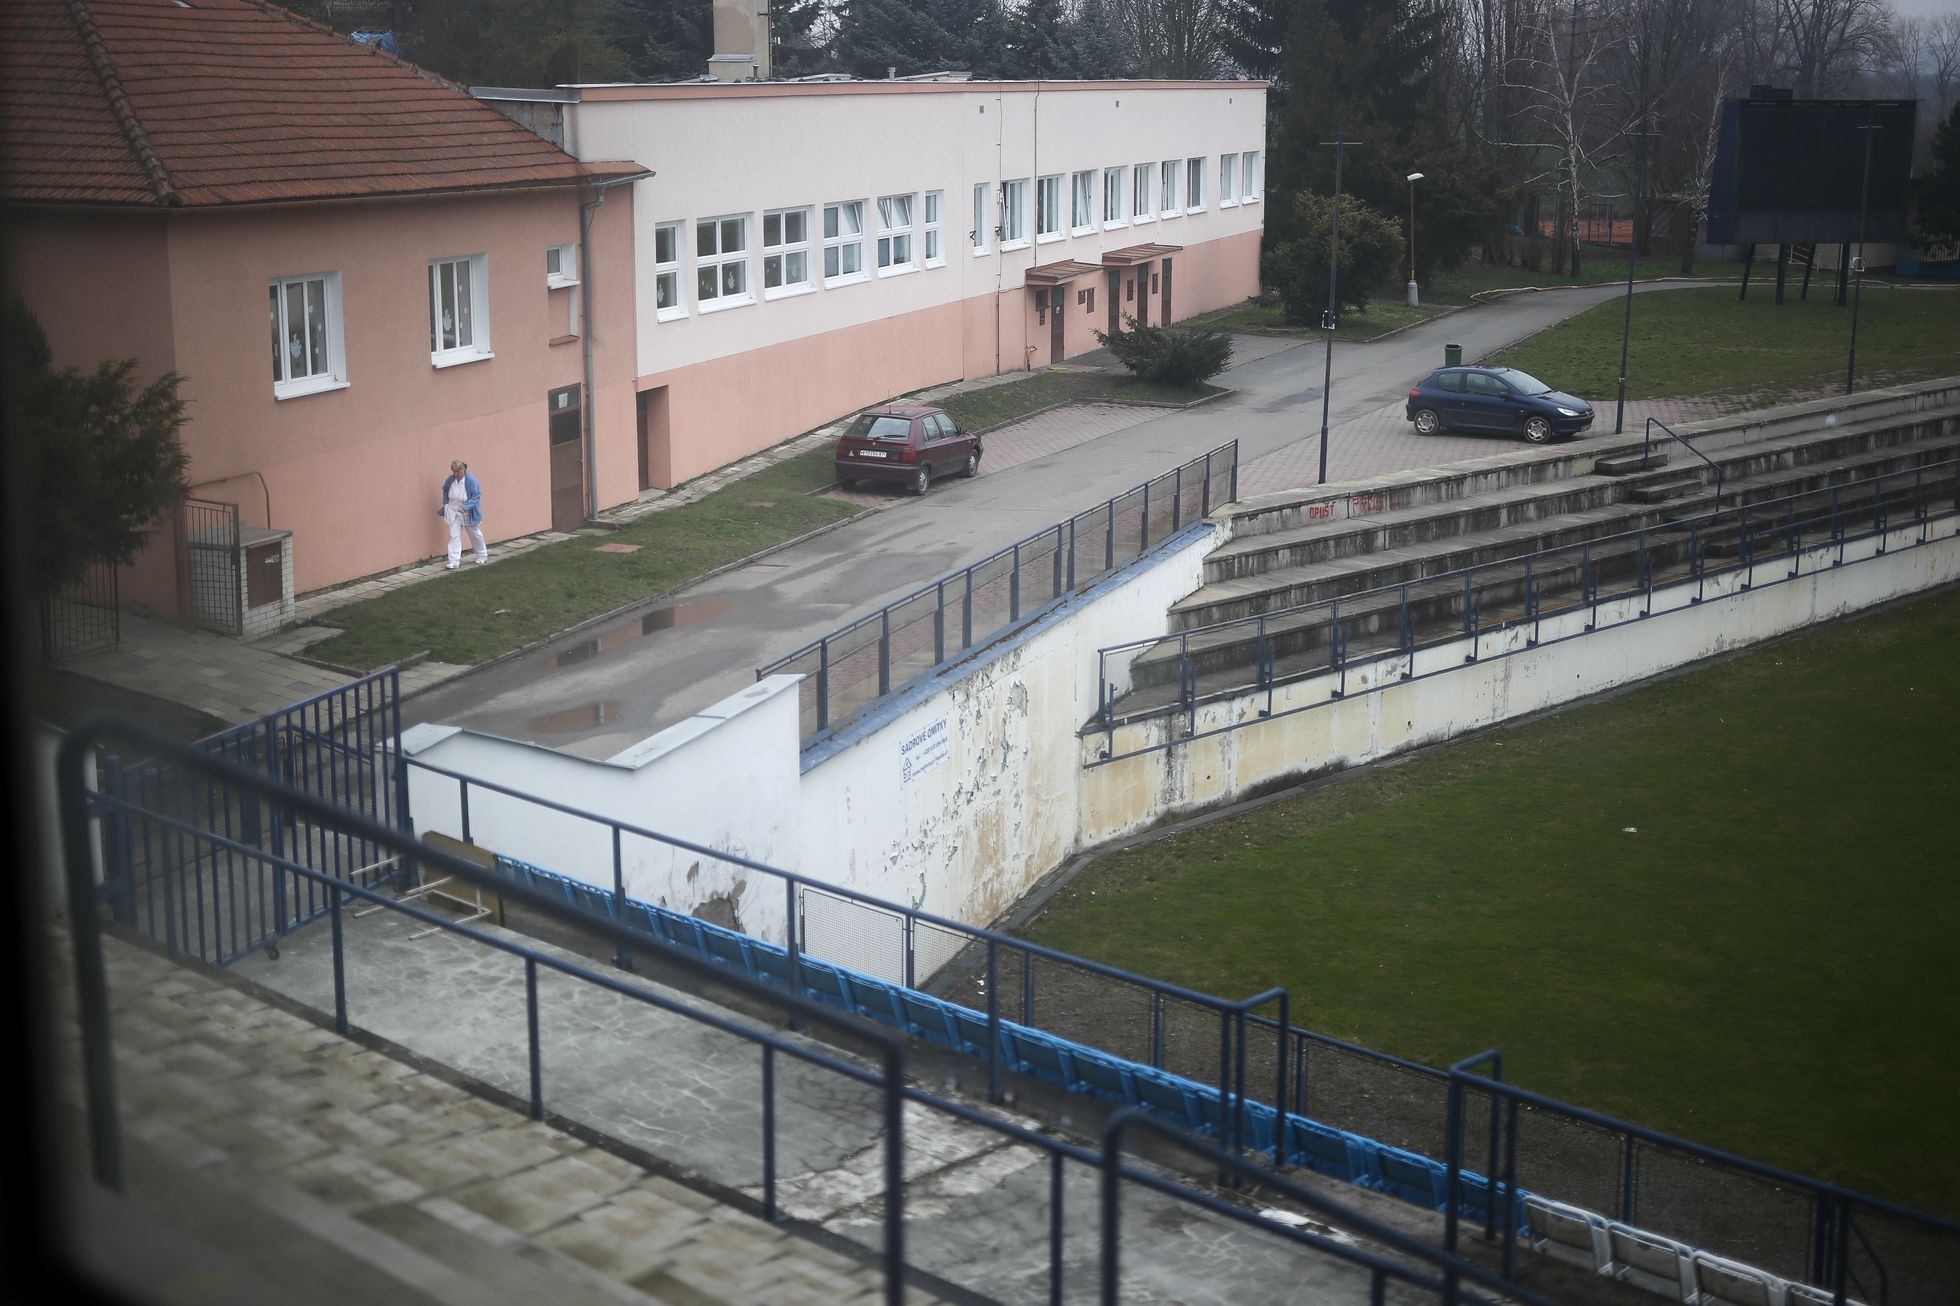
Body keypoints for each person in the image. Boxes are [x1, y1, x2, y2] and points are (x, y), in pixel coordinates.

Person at [437, 459, 487, 569]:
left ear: (462, 469)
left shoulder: (471, 480)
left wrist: (465, 507)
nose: (455, 474)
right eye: (453, 472)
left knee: (474, 534)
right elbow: (445, 491)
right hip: (454, 511)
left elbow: (476, 496)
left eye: (457, 472)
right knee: (454, 535)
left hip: (468, 512)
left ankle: (482, 555)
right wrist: (446, 503)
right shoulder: (450, 480)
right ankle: (454, 561)